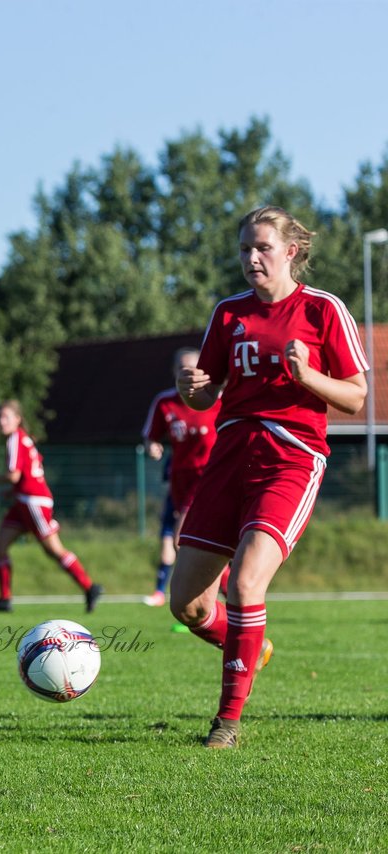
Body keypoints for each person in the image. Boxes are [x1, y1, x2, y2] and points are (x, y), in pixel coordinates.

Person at [170, 206, 366, 748]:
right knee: (187, 605)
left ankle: (226, 722)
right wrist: (195, 390)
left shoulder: (323, 309)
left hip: (292, 458)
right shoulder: (228, 314)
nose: (251, 258)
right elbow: (208, 393)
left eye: (262, 248)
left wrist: (310, 376)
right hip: (231, 456)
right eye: (243, 250)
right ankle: (250, 641)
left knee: (247, 583)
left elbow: (356, 396)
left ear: (291, 252)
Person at [0, 400, 103, 614]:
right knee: (0, 544)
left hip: (33, 502)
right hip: (24, 501)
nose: (1, 421)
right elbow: (25, 475)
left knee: (53, 549)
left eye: (6, 417)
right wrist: (12, 492)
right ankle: (4, 599)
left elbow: (14, 474)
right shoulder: (22, 439)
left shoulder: (15, 438)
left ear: (17, 419)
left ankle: (90, 587)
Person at [139, 347, 220, 607]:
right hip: (177, 480)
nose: (189, 374)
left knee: (180, 538)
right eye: (182, 369)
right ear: (174, 372)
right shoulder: (165, 402)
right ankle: (231, 593)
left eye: (194, 369)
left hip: (206, 478)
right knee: (173, 542)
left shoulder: (217, 401)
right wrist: (153, 447)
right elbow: (151, 437)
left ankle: (221, 595)